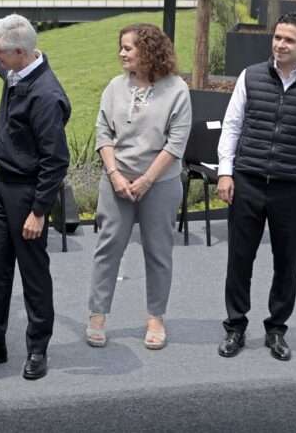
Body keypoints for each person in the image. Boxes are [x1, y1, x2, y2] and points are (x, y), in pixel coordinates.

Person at [216, 12, 296, 361]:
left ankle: (276, 329)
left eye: (289, 40)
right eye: (277, 37)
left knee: (286, 262)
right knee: (239, 259)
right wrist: (225, 173)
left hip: (291, 188)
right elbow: (232, 126)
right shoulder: (251, 76)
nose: (280, 44)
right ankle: (235, 327)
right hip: (248, 182)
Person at [0, 15, 70, 381]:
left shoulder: (46, 96)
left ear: (21, 52)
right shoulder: (16, 70)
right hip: (4, 187)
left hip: (28, 192)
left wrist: (39, 211)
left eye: (1, 52)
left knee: (33, 274)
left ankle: (38, 347)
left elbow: (56, 161)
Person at [87, 23, 191, 350]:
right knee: (108, 249)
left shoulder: (177, 90)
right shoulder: (114, 87)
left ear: (148, 50)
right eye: (121, 47)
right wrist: (116, 175)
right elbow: (103, 133)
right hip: (116, 180)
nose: (121, 53)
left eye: (128, 48)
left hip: (159, 184)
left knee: (158, 253)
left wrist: (147, 180)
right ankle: (98, 315)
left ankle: (155, 318)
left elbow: (176, 143)